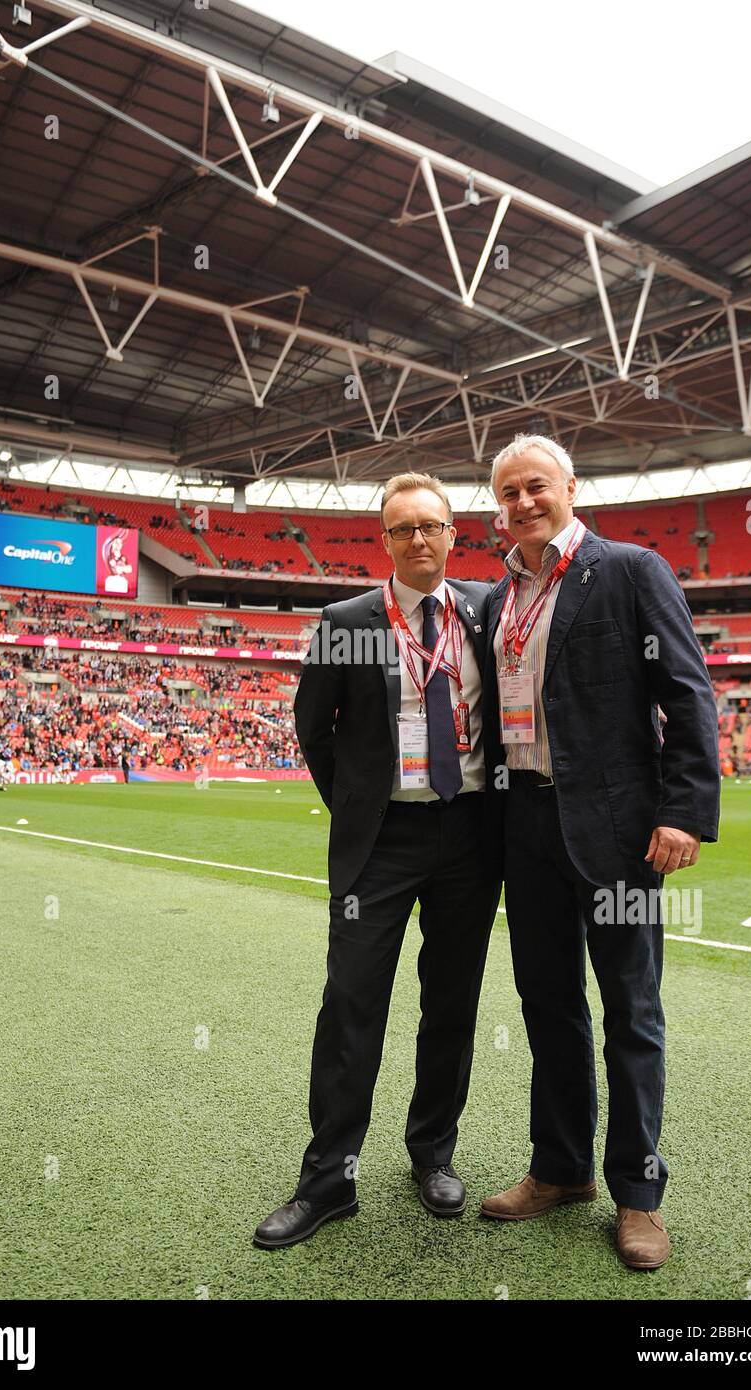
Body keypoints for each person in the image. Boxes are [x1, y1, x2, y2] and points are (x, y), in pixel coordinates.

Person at [479, 435, 720, 1270]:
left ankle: (639, 1195)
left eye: (534, 486)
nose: (521, 504)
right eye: (506, 493)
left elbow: (687, 690)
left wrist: (683, 809)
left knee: (631, 1014)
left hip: (617, 833)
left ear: (570, 486)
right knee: (548, 1007)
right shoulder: (496, 597)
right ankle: (561, 1168)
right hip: (526, 829)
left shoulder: (628, 570)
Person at [254, 472, 502, 1249]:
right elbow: (312, 728)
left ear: (452, 534)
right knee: (351, 1005)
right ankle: (329, 1179)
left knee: (451, 1003)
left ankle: (433, 1154)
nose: (418, 539)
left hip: (469, 834)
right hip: (381, 842)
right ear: (384, 540)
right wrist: (358, 805)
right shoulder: (347, 620)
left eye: (431, 526)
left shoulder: (487, 612)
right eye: (403, 530)